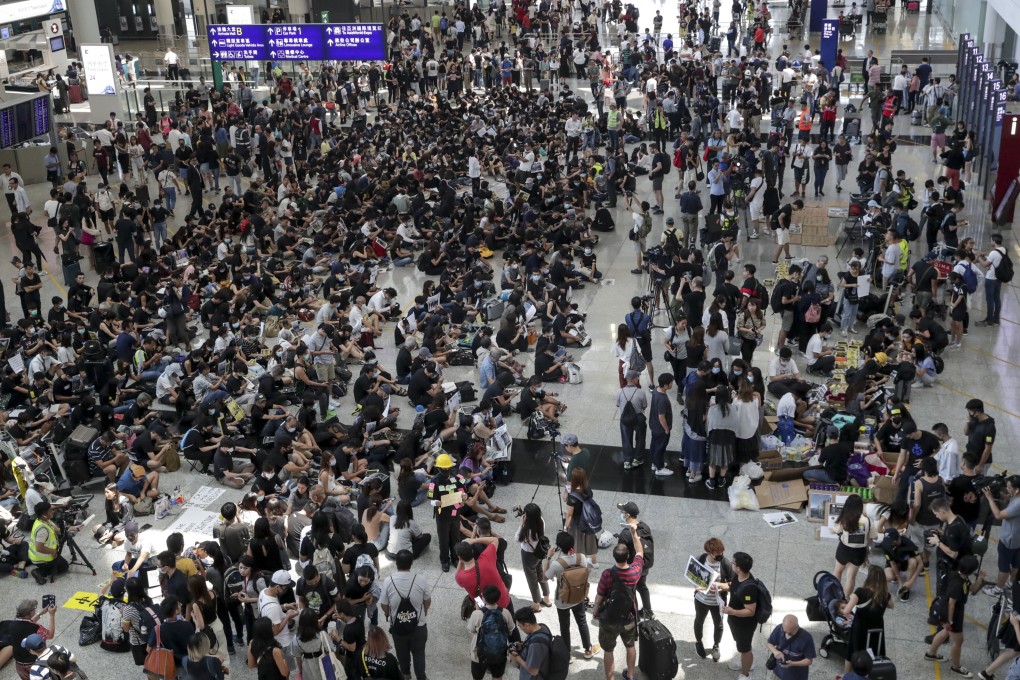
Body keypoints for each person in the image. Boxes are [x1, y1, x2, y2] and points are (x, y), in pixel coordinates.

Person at [591, 521, 644, 680]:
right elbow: (640, 552)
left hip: (609, 619)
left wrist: (595, 609)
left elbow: (599, 595)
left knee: (608, 650)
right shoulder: (634, 572)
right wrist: (634, 535)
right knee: (630, 647)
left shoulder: (608, 574)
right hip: (628, 617)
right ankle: (631, 675)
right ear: (628, 556)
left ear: (613, 557)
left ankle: (610, 678)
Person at [925, 554, 983, 678]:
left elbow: (972, 589)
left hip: (955, 612)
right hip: (953, 614)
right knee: (958, 641)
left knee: (944, 632)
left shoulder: (962, 576)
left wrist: (980, 579)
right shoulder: (957, 583)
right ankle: (955, 666)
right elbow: (951, 603)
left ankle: (931, 653)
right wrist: (949, 621)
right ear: (970, 571)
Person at [542, 531, 597, 660]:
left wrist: (549, 557)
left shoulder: (557, 564)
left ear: (559, 547)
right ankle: (588, 649)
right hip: (578, 597)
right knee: (582, 622)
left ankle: (568, 654)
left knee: (564, 626)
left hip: (562, 600)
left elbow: (544, 577)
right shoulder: (581, 557)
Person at [379, 550, 431, 680]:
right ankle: (421, 676)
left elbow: (384, 604)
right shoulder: (421, 580)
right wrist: (424, 612)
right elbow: (427, 600)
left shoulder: (388, 581)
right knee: (419, 654)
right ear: (411, 563)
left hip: (398, 627)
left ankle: (406, 675)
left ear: (396, 563)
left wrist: (387, 614)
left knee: (402, 654)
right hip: (418, 627)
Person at [980, 475, 1020, 599]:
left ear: (1017, 490)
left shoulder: (1018, 503)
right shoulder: (1016, 497)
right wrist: (1002, 497)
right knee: (1016, 563)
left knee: (1004, 566)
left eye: (1008, 487)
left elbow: (998, 515)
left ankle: (998, 589)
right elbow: (1010, 500)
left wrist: (990, 498)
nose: (1006, 489)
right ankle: (1011, 583)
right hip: (1017, 539)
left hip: (1009, 539)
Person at [721, 551, 759, 680]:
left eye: (733, 562)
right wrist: (721, 587)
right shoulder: (738, 576)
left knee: (745, 649)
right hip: (735, 621)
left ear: (738, 568)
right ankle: (746, 662)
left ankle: (745, 673)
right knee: (741, 645)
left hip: (744, 625)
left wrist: (733, 612)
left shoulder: (749, 588)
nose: (730, 563)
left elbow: (750, 611)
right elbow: (734, 586)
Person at [466, 584, 514, 680]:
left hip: (478, 654)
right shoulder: (505, 612)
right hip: (500, 653)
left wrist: (477, 610)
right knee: (497, 677)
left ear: (483, 598)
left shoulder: (477, 614)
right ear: (498, 598)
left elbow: (471, 630)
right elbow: (511, 631)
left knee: (477, 677)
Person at [515, 503, 552, 611]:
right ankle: (546, 598)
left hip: (528, 555)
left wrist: (521, 524)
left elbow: (517, 539)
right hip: (539, 553)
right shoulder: (541, 521)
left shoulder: (527, 530)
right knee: (541, 574)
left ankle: (536, 604)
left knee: (532, 579)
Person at [28, 502, 68, 585]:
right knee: (64, 567)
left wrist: (73, 528)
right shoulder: (42, 530)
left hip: (42, 554)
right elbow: (39, 547)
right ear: (44, 514)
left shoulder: (43, 520)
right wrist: (53, 552)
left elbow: (57, 529)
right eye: (50, 511)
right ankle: (39, 571)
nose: (52, 511)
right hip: (41, 557)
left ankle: (44, 568)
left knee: (61, 563)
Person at [764, 615, 815, 680]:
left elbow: (809, 660)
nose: (787, 634)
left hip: (796, 676)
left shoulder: (806, 638)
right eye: (785, 631)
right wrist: (775, 652)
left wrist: (792, 664)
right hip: (778, 673)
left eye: (790, 633)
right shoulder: (779, 629)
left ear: (797, 627)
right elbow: (769, 643)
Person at [616, 370, 648, 470]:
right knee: (640, 438)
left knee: (626, 439)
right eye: (637, 378)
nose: (638, 379)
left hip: (625, 419)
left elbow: (617, 404)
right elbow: (644, 405)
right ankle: (637, 459)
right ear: (634, 380)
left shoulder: (619, 391)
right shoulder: (641, 392)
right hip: (638, 419)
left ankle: (627, 461)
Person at [648, 373, 675, 476]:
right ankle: (660, 468)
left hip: (654, 425)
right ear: (665, 385)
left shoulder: (656, 389)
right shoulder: (662, 399)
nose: (672, 384)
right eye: (671, 383)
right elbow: (661, 417)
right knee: (660, 447)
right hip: (661, 428)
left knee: (654, 445)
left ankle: (655, 463)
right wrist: (667, 429)